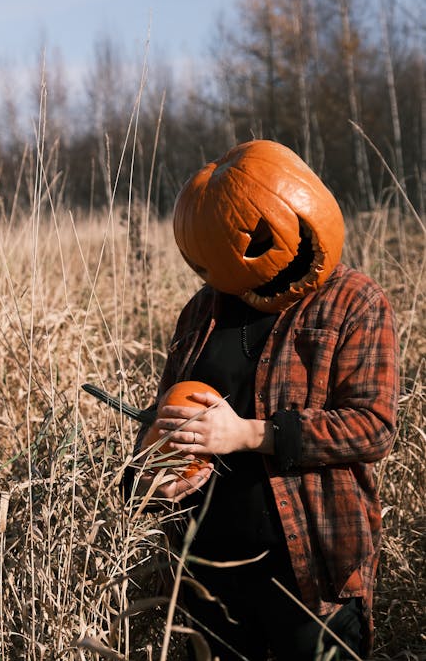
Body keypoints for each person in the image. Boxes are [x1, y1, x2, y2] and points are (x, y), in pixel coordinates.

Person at [128, 140, 398, 661]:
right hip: (207, 568)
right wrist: (149, 474)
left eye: (253, 236)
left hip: (306, 570)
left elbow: (374, 425)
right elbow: (163, 417)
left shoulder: (354, 300)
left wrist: (250, 433)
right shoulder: (202, 312)